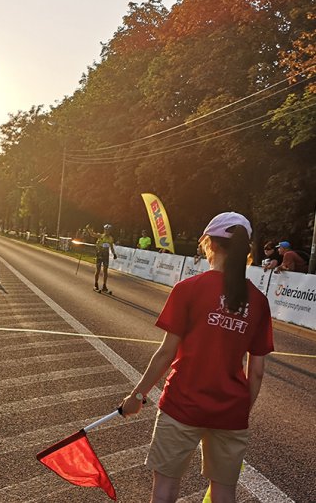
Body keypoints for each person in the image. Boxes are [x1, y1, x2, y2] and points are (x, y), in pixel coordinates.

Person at [120, 212, 273, 503]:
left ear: (209, 244)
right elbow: (257, 372)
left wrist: (136, 397)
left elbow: (166, 353)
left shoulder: (188, 289)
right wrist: (241, 410)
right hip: (230, 413)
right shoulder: (259, 301)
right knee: (223, 492)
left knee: (165, 488)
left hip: (182, 405)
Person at [88, 223, 117, 292]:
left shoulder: (110, 238)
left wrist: (114, 254)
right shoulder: (100, 236)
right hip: (100, 254)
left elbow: (111, 247)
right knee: (98, 270)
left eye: (109, 230)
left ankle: (104, 285)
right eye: (106, 230)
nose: (107, 231)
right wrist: (89, 229)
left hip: (106, 255)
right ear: (104, 230)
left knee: (105, 271)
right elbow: (93, 234)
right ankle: (96, 284)